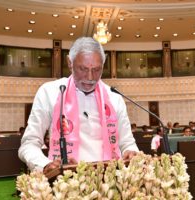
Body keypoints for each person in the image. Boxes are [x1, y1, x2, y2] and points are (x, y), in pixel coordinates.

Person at [18, 37, 139, 174]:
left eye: (96, 70)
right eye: (83, 69)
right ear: (70, 63)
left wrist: (131, 152)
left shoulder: (114, 98)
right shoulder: (50, 92)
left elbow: (127, 143)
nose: (90, 77)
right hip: (66, 182)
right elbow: (29, 144)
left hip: (109, 181)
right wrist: (45, 165)